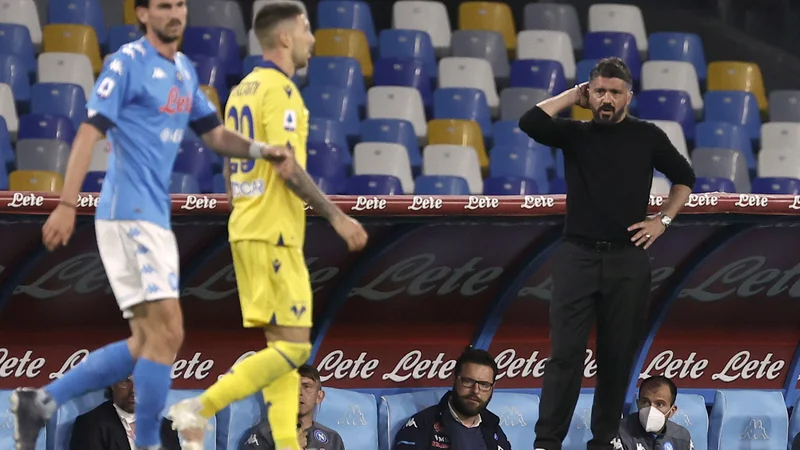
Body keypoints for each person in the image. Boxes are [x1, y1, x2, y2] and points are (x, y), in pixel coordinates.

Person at [10, 1, 292, 449]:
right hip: (127, 212)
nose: (174, 12)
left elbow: (214, 134)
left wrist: (260, 151)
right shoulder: (126, 64)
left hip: (154, 219)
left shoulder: (183, 69)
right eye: (163, 6)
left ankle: (42, 402)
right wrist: (65, 203)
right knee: (169, 332)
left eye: (179, 3)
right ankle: (144, 442)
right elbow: (88, 133)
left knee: (149, 340)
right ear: (142, 14)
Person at [166, 4, 368, 450]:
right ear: (284, 38)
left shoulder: (242, 89)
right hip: (274, 233)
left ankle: (285, 443)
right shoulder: (280, 92)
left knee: (282, 355)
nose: (313, 39)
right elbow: (286, 166)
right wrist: (337, 217)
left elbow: (230, 166)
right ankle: (200, 407)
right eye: (307, 29)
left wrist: (242, 204)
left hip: (248, 230)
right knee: (295, 351)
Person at [518, 57, 696, 450]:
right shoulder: (576, 133)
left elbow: (685, 177)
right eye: (599, 91)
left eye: (615, 92)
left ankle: (603, 442)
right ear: (590, 92)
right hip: (576, 255)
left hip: (628, 258)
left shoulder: (647, 136)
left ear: (628, 96)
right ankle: (546, 442)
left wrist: (662, 220)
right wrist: (572, 95)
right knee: (565, 357)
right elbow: (530, 121)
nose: (606, 99)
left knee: (616, 361)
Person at [393, 347, 511, 450]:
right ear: (454, 379)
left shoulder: (494, 428)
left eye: (484, 385)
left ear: (493, 387)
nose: (476, 391)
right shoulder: (422, 425)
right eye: (468, 381)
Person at [239, 364, 345, 450]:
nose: (299, 393)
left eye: (307, 386)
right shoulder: (263, 434)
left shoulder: (332, 439)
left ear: (319, 396)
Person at [69, 377, 181, 450]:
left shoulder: (166, 428)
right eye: (125, 381)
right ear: (112, 384)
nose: (134, 390)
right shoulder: (90, 425)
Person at [615, 376, 693, 450]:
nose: (651, 409)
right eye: (645, 402)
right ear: (638, 404)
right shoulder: (619, 433)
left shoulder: (682, 437)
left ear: (672, 411)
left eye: (660, 404)